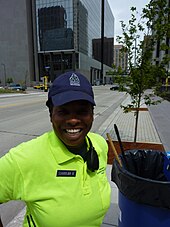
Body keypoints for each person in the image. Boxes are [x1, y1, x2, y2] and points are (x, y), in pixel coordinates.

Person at [0, 71, 111, 226]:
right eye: (63, 112)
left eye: (82, 111)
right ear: (51, 114)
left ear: (92, 114)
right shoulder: (26, 158)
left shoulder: (99, 144)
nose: (73, 120)